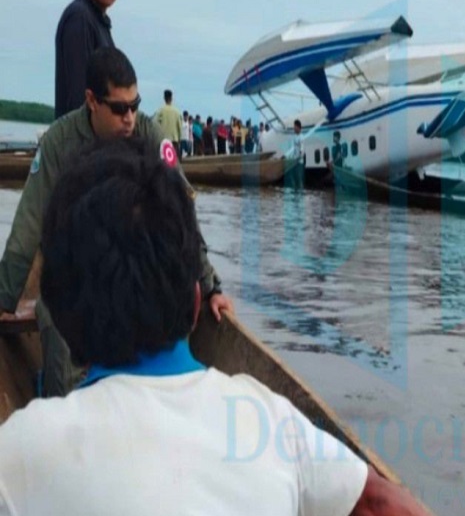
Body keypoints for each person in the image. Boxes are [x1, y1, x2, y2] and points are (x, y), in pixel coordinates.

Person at [0, 139, 427, 515]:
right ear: (196, 301)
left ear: (60, 313)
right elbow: (382, 505)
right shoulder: (272, 421)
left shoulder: (20, 450)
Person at [0, 47, 233, 397]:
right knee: (55, 324)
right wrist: (4, 297)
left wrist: (210, 286)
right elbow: (29, 224)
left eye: (135, 105)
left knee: (171, 313)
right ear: (92, 101)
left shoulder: (148, 134)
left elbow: (181, 215)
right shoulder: (59, 143)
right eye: (119, 108)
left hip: (132, 270)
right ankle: (63, 406)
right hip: (79, 272)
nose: (129, 117)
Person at [152, 89, 182, 157]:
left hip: (164, 141)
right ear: (172, 98)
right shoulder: (177, 112)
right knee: (175, 164)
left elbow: (154, 123)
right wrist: (179, 138)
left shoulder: (160, 111)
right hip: (174, 141)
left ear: (164, 98)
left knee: (164, 163)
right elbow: (179, 127)